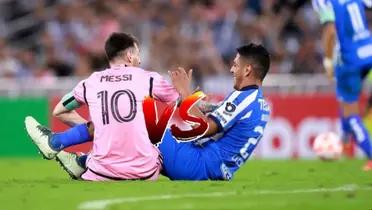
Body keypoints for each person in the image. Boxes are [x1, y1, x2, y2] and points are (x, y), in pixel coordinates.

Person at [28, 43, 271, 180]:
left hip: (199, 164)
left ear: (248, 70)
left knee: (133, 114)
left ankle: (58, 143)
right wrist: (192, 101)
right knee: (140, 121)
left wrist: (186, 94)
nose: (231, 69)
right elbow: (217, 121)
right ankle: (81, 161)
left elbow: (205, 129)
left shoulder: (242, 97)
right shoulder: (258, 103)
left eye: (236, 65)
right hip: (209, 167)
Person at [25, 32, 179, 181]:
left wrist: (97, 130)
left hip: (102, 173)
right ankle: (77, 159)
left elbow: (59, 111)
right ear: (130, 56)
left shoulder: (91, 82)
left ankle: (64, 149)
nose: (139, 61)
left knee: (108, 131)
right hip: (145, 172)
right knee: (156, 135)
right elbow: (182, 101)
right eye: (138, 54)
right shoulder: (149, 79)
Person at [312, 0, 372, 170]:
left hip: (350, 59)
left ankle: (369, 153)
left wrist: (328, 61)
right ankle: (345, 140)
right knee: (345, 98)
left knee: (349, 109)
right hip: (369, 51)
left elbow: (330, 31)